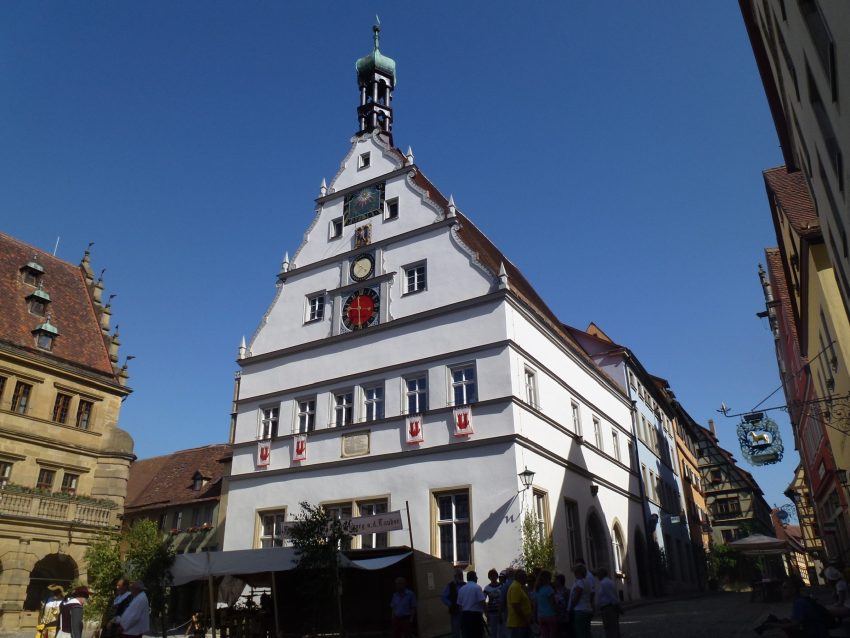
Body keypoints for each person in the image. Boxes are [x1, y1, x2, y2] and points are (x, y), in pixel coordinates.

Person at [754, 578, 831, 637]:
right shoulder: (799, 600)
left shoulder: (799, 603)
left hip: (814, 634)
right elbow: (798, 620)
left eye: (785, 587)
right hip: (815, 631)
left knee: (777, 633)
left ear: (793, 590)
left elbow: (795, 625)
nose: (782, 590)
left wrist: (774, 625)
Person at [458, 570, 486, 638]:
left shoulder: (461, 589)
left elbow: (459, 605)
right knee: (477, 635)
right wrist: (487, 613)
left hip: (465, 616)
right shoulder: (477, 587)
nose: (477, 578)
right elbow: (482, 602)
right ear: (474, 578)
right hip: (475, 616)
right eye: (476, 577)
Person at [506, 568, 532, 638]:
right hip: (518, 623)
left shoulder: (519, 587)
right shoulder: (515, 587)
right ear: (521, 577)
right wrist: (525, 618)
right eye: (525, 577)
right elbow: (515, 605)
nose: (526, 579)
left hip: (521, 623)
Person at [595, 568, 620, 638]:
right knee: (612, 629)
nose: (597, 576)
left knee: (611, 629)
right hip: (608, 608)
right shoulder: (609, 582)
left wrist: (617, 607)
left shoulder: (604, 583)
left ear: (602, 574)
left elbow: (612, 597)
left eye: (598, 574)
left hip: (608, 609)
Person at [441, 568, 466, 638]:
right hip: (455, 612)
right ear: (455, 576)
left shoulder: (465, 585)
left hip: (465, 611)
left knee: (465, 630)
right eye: (459, 575)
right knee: (455, 631)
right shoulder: (450, 585)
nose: (461, 576)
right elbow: (443, 597)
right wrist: (451, 604)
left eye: (461, 575)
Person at [569, 565, 592, 638]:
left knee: (580, 632)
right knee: (586, 632)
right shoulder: (587, 581)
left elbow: (578, 595)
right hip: (587, 609)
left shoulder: (580, 582)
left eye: (575, 572)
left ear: (579, 572)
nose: (574, 574)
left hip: (580, 610)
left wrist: (572, 606)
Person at [533, 571, 557, 638]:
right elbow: (553, 603)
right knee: (552, 634)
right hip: (550, 615)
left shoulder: (537, 590)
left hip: (540, 616)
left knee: (544, 635)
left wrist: (534, 615)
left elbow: (535, 605)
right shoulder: (549, 589)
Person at [484, 569, 504, 638]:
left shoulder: (502, 586)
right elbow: (483, 599)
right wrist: (486, 613)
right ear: (489, 577)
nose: (493, 577)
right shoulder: (487, 588)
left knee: (501, 630)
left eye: (494, 575)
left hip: (501, 611)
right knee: (493, 631)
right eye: (491, 576)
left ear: (497, 576)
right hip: (491, 612)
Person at [553, 574, 570, 638]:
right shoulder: (554, 592)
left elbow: (568, 604)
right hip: (556, 616)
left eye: (556, 580)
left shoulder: (566, 591)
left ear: (560, 581)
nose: (554, 582)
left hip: (564, 617)